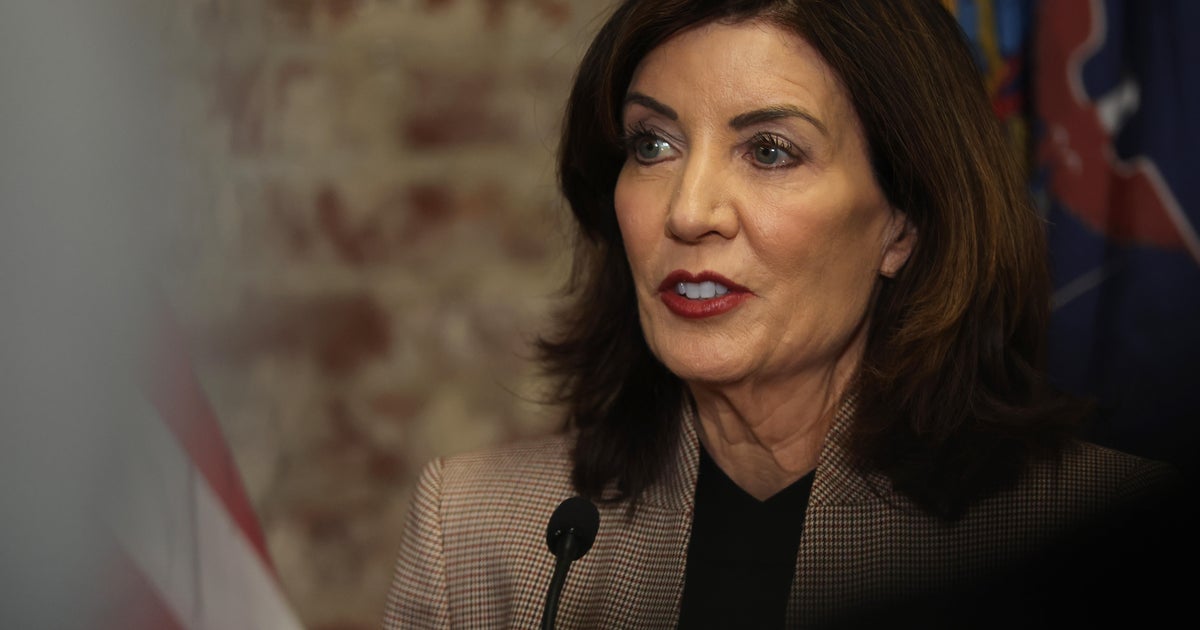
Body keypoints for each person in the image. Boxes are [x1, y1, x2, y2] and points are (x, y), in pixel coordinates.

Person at [383, 1, 1177, 628]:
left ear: (903, 224)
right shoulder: (477, 535)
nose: (688, 212)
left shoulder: (1099, 544)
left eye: (769, 151)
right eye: (652, 145)